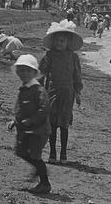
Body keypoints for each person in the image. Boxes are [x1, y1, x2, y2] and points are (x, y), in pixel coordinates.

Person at [38, 20, 83, 164]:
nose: (59, 43)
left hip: (68, 92)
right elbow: (41, 73)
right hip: (51, 91)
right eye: (57, 40)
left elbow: (77, 76)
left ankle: (63, 153)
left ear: (68, 42)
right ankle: (52, 153)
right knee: (52, 123)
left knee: (64, 123)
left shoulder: (73, 57)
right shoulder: (49, 55)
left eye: (62, 41)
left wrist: (78, 93)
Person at [7, 54, 52, 194]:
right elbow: (20, 108)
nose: (24, 73)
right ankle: (39, 169)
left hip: (38, 130)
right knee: (20, 151)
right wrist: (15, 120)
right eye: (21, 70)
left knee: (35, 155)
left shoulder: (38, 90)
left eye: (27, 70)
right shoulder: (24, 88)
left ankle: (45, 183)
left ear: (34, 73)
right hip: (25, 129)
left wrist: (32, 120)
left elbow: (44, 108)